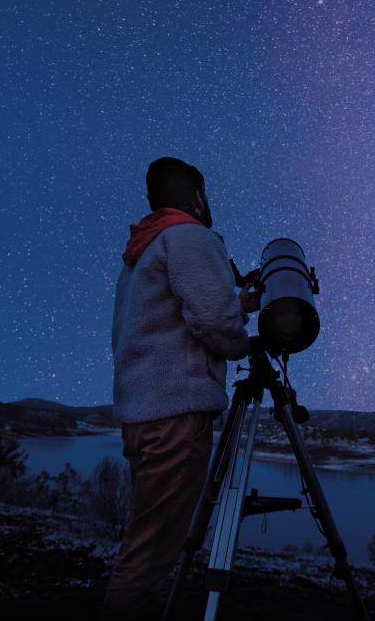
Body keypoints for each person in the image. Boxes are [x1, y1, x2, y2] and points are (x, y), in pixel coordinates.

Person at [103, 157, 260, 619]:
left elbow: (175, 321)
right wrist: (243, 340)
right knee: (149, 555)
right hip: (175, 417)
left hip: (143, 415)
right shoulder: (192, 236)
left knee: (146, 540)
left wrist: (239, 306)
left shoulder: (143, 253)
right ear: (196, 197)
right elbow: (213, 323)